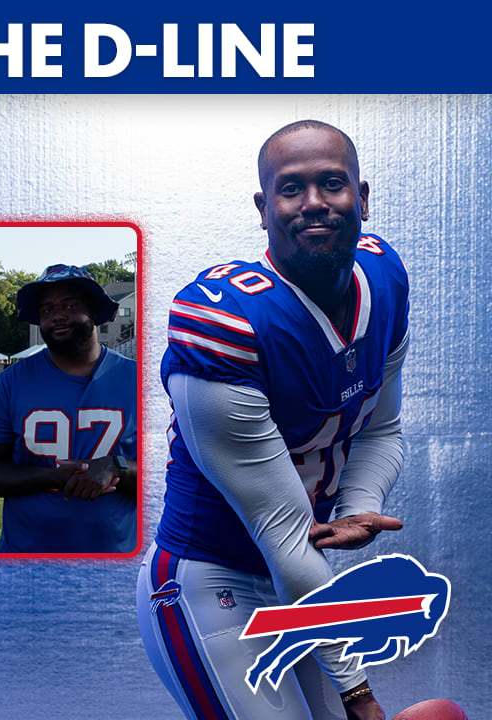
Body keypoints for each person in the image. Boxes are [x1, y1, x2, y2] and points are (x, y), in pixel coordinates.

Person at [137, 120, 407, 720]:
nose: (314, 203)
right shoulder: (225, 321)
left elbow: (380, 428)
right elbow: (281, 533)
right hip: (212, 580)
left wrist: (358, 504)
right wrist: (359, 693)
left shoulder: (384, 280)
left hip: (301, 574)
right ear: (265, 208)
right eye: (291, 188)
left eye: (332, 184)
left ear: (361, 197)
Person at [0, 264, 137, 553]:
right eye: (46, 309)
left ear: (93, 311)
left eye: (70, 305)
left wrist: (116, 466)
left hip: (117, 560)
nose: (57, 315)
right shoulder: (11, 382)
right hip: (26, 560)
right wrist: (50, 477)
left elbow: (173, 475)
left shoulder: (139, 380)